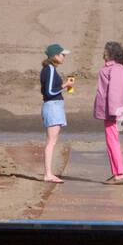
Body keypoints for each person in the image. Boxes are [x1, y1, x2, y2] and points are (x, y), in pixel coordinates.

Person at [93, 41, 123, 185]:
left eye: (105, 52)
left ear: (111, 54)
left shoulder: (116, 69)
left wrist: (114, 112)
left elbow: (115, 92)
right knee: (112, 141)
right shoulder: (116, 68)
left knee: (113, 141)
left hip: (112, 111)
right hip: (112, 110)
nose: (103, 54)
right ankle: (117, 172)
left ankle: (119, 174)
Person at [40, 43, 74, 183]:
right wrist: (65, 85)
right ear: (55, 56)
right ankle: (48, 174)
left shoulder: (48, 69)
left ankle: (48, 173)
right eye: (62, 54)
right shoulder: (50, 69)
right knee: (51, 142)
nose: (64, 57)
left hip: (53, 106)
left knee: (52, 141)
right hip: (53, 106)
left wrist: (62, 87)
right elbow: (50, 91)